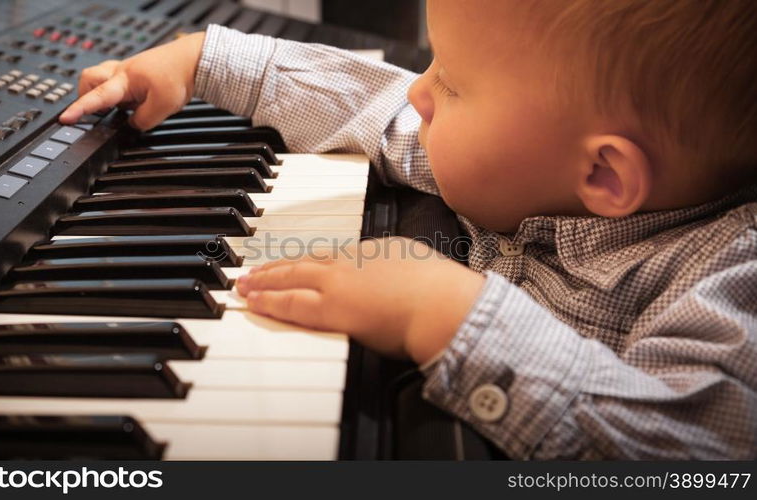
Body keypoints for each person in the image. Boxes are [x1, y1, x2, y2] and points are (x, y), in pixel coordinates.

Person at [60, 0, 757, 459]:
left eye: (451, 84)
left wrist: (451, 317)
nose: (418, 91)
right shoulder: (529, 158)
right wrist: (200, 61)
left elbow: (694, 453)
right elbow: (379, 104)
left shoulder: (729, 275)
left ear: (604, 177)